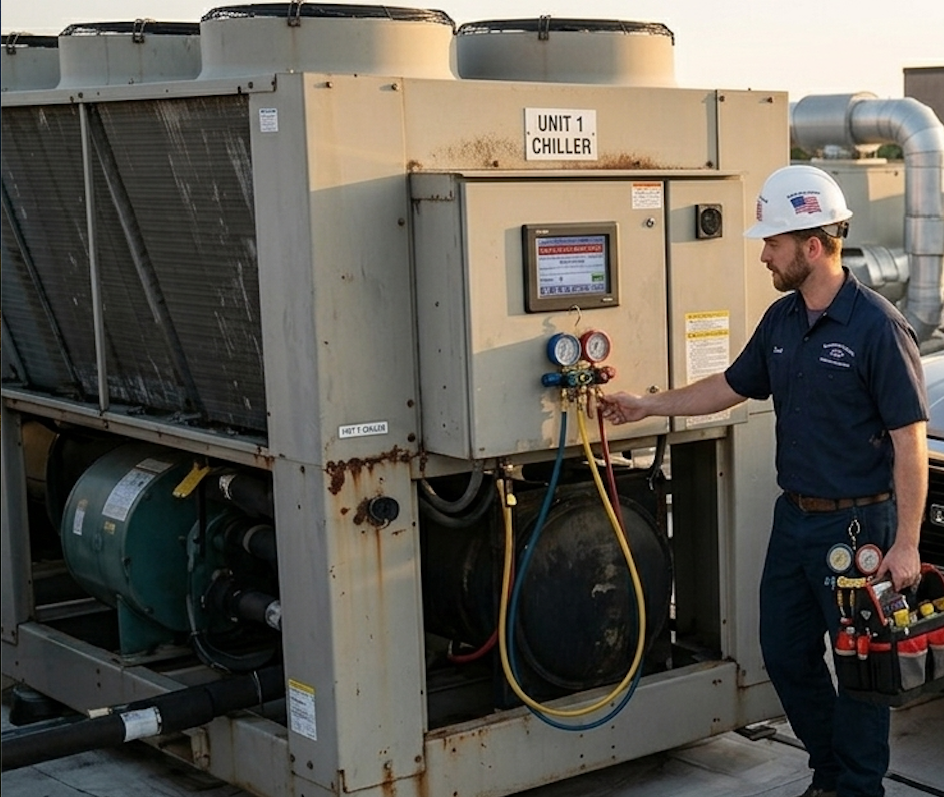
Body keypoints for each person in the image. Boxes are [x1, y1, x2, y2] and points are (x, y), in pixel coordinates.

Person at [599, 164, 928, 797]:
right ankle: (831, 771)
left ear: (812, 243)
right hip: (796, 521)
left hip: (860, 527)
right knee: (782, 651)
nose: (764, 257)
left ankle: (856, 788)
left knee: (861, 668)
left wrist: (906, 542)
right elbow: (728, 385)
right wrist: (649, 404)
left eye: (772, 244)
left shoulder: (878, 327)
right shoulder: (781, 321)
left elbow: (909, 438)